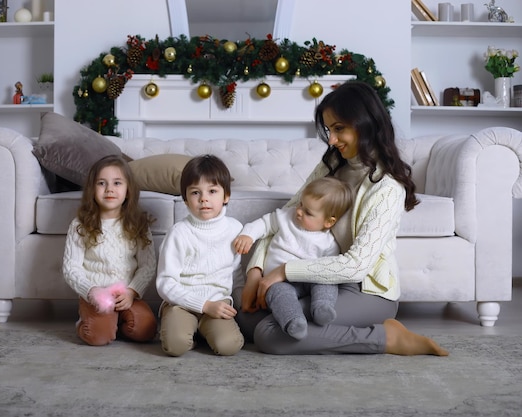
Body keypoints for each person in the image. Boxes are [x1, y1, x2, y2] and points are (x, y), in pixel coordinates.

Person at [236, 81, 449, 356]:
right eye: (329, 130)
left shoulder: (386, 188)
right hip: (317, 281)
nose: (332, 141)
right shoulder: (331, 165)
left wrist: (282, 272)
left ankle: (388, 338)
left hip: (364, 290)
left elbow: (356, 267)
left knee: (269, 334)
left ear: (365, 124)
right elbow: (287, 219)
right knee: (245, 319)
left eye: (339, 129)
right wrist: (255, 273)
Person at [233, 177, 353, 340]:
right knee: (277, 293)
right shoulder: (285, 218)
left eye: (308, 212)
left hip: (311, 279)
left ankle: (322, 307)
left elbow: (330, 268)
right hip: (279, 282)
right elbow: (264, 223)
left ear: (328, 222)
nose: (298, 211)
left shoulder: (329, 242)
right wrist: (248, 234)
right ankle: (293, 321)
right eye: (301, 204)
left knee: (327, 282)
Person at [62, 155, 158, 346]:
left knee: (146, 330)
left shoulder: (136, 223)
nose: (110, 189)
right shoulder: (80, 225)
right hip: (95, 296)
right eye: (102, 183)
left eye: (117, 183)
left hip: (126, 294)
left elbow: (147, 265)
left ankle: (117, 321)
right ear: (92, 189)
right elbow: (71, 268)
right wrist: (91, 291)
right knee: (98, 337)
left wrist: (132, 292)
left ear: (128, 190)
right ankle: (87, 323)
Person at [156, 154, 245, 357]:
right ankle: (179, 324)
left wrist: (238, 303)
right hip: (181, 304)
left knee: (229, 346)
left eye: (212, 191)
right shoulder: (179, 232)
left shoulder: (235, 229)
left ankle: (203, 331)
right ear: (186, 199)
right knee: (175, 346)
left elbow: (235, 273)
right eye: (195, 192)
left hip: (218, 302)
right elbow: (165, 283)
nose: (204, 198)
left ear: (226, 196)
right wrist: (203, 305)